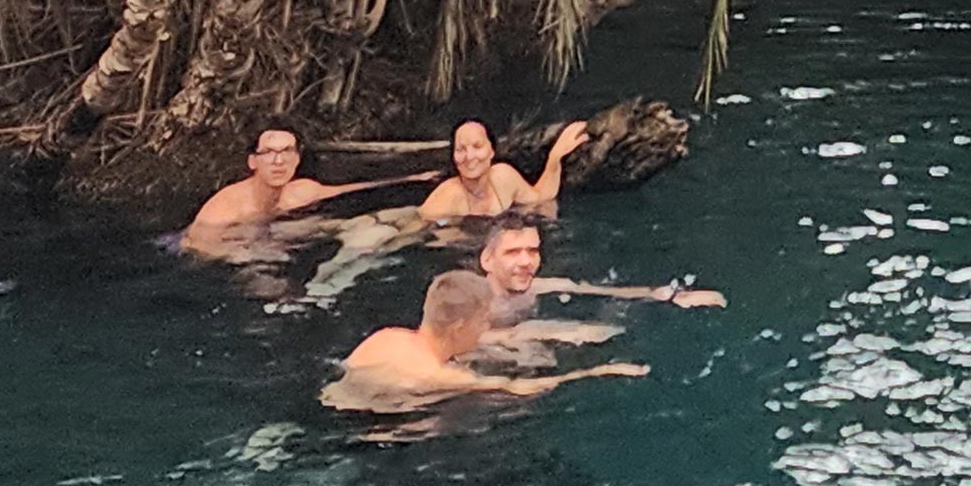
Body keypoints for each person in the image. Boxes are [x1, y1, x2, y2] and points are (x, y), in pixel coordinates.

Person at [321, 269, 648, 414]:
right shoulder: (444, 376)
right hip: (356, 439)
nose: (485, 327)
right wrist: (598, 372)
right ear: (460, 325)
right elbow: (518, 388)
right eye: (482, 321)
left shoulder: (387, 337)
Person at [472, 214, 725, 351]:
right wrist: (546, 331)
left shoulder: (535, 287)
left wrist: (667, 295)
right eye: (512, 252)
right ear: (487, 260)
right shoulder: (472, 301)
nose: (526, 261)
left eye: (533, 250)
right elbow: (456, 340)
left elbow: (588, 290)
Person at [184, 120, 434, 257]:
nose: (278, 161)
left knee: (369, 223)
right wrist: (249, 254)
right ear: (253, 161)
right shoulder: (225, 207)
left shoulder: (302, 191)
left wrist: (415, 178)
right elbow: (198, 247)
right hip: (231, 246)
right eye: (268, 153)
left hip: (273, 233)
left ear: (297, 159)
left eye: (286, 152)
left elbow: (351, 190)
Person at [416, 118, 590, 221]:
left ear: (491, 150)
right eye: (461, 149)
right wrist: (444, 226)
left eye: (477, 146)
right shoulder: (448, 198)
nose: (469, 156)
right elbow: (423, 230)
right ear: (454, 157)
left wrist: (555, 157)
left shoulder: (503, 177)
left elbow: (540, 197)